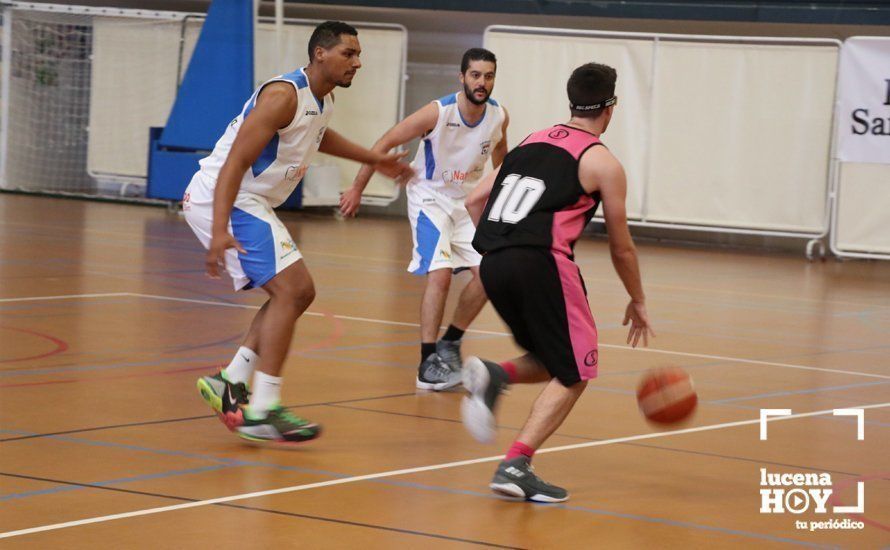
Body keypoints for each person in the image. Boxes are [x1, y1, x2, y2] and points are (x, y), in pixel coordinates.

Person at [184, 21, 412, 444]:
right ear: (320, 54)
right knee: (293, 289)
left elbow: (319, 137)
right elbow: (234, 164)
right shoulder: (282, 95)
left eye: (358, 55)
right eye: (350, 53)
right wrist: (219, 230)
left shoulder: (319, 100)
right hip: (227, 197)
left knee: (298, 293)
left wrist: (375, 159)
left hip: (249, 201)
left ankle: (229, 381)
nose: (357, 63)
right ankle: (265, 407)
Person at [462, 62, 654, 501]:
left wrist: (497, 255)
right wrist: (637, 299)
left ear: (571, 101)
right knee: (579, 367)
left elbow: (475, 199)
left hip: (494, 262)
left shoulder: (530, 141)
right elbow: (621, 247)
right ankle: (515, 464)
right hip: (542, 262)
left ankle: (496, 374)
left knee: (555, 358)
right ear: (612, 106)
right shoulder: (602, 161)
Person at [341, 48, 509, 391]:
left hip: (466, 204)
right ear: (461, 77)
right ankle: (427, 362)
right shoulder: (438, 111)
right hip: (429, 198)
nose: (482, 82)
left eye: (488, 76)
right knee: (441, 274)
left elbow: (502, 162)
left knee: (491, 273)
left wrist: (500, 207)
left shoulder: (498, 116)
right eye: (475, 75)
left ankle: (451, 342)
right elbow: (384, 142)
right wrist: (357, 188)